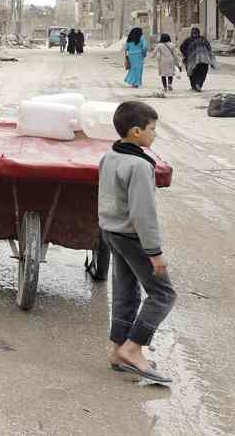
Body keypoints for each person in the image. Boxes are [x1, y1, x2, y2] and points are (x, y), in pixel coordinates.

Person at [99, 101, 176, 384]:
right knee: (163, 294)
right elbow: (143, 214)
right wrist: (154, 252)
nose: (154, 134)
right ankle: (133, 348)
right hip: (132, 237)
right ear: (135, 132)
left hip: (112, 232)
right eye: (152, 129)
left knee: (126, 290)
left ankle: (118, 350)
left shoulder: (109, 156)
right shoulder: (139, 165)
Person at [179, 26, 217, 92]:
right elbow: (209, 48)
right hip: (204, 59)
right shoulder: (203, 39)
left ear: (191, 33)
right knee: (202, 73)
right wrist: (211, 59)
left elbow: (181, 47)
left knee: (192, 72)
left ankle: (194, 86)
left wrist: (185, 54)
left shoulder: (188, 40)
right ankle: (198, 84)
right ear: (199, 33)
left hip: (192, 60)